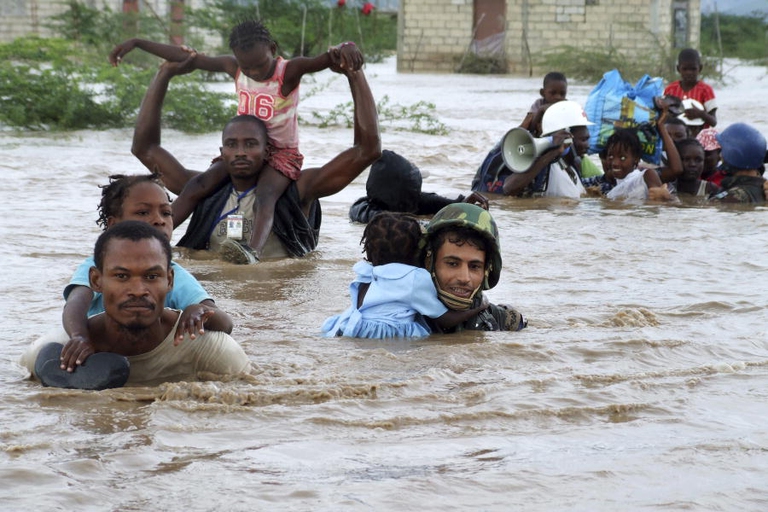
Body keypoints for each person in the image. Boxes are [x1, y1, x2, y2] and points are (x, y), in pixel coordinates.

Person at [110, 20, 364, 263]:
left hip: (282, 154)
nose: (254, 73)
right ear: (223, 150)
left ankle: (252, 251)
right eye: (232, 144)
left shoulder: (287, 72)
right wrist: (140, 45)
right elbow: (188, 57)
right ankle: (155, 239)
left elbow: (327, 60)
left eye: (258, 66)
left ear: (272, 50)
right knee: (197, 184)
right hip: (252, 153)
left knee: (266, 196)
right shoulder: (236, 69)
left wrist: (346, 50)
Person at [20, 221, 251, 390]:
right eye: (121, 276)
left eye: (151, 277)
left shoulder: (210, 351)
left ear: (169, 280)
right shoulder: (52, 355)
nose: (139, 290)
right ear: (96, 281)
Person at [62, 173, 234, 374]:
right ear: (113, 224)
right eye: (143, 213)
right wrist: (79, 337)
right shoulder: (97, 267)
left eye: (166, 213)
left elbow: (225, 323)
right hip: (102, 357)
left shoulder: (171, 273)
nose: (159, 220)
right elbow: (75, 303)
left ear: (167, 279)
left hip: (153, 356)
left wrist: (200, 311)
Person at [321, 212, 490, 338]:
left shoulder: (367, 271)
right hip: (388, 335)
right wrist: (478, 308)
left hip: (351, 325)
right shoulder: (415, 277)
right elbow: (444, 319)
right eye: (452, 263)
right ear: (419, 252)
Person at [422, 204, 527, 333]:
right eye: (452, 264)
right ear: (429, 262)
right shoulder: (400, 320)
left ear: (486, 271)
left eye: (474, 266)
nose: (464, 278)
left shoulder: (504, 321)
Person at [349, 149, 489, 223]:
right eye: (414, 189)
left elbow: (436, 202)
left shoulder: (407, 201)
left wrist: (464, 205)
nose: (418, 193)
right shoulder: (361, 210)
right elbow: (387, 220)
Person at [501, 100, 593, 198]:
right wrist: (553, 153)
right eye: (583, 139)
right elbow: (508, 188)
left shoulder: (570, 166)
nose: (588, 146)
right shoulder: (543, 165)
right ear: (567, 137)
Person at [603, 127, 676, 202]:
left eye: (622, 158)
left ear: (636, 159)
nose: (615, 163)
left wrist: (666, 197)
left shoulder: (646, 176)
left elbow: (664, 205)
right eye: (610, 156)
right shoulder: (611, 193)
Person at [709, 123, 767, 204]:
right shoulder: (764, 188)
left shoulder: (730, 198)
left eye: (722, 150)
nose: (720, 155)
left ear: (733, 154)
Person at [663, 48, 717, 129]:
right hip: (675, 137)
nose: (689, 73)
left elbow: (713, 122)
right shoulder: (670, 89)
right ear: (678, 69)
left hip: (698, 137)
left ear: (700, 68)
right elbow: (664, 116)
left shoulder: (706, 90)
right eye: (685, 69)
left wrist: (701, 114)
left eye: (693, 69)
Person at [519, 71, 568, 136]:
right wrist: (541, 110)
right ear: (542, 93)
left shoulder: (567, 106)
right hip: (539, 138)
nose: (558, 97)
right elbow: (531, 128)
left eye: (562, 94)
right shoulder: (539, 103)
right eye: (553, 93)